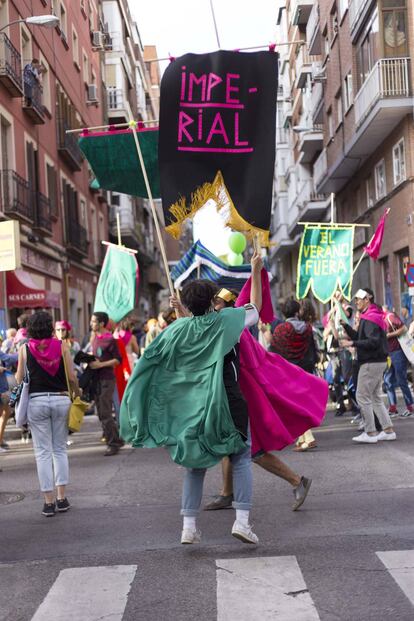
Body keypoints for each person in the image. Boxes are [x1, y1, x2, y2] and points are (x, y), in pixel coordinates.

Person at [121, 252, 264, 545]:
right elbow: (256, 308)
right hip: (228, 402)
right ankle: (242, 522)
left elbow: (153, 358)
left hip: (192, 408)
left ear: (186, 304)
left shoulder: (176, 329)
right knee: (240, 458)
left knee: (195, 467)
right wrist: (255, 271)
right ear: (214, 302)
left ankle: (188, 527)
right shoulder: (226, 321)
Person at [203, 285, 327, 512]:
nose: (215, 307)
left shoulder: (233, 325)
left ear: (229, 306)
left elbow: (255, 306)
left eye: (218, 303)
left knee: (251, 451)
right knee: (229, 446)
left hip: (243, 397)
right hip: (235, 396)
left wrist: (256, 268)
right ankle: (226, 493)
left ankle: (297, 481)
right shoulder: (227, 324)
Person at [15, 311, 79, 516]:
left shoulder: (24, 348)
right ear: (50, 327)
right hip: (61, 400)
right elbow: (71, 376)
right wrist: (77, 391)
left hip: (37, 401)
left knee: (42, 453)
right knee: (59, 449)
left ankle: (48, 502)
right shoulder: (62, 346)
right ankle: (62, 498)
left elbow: (18, 379)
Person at [340, 288, 396, 443]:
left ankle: (370, 432)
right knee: (375, 397)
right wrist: (346, 326)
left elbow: (372, 342)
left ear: (367, 299)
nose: (356, 302)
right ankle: (388, 430)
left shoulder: (370, 318)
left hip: (371, 362)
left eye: (358, 299)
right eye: (356, 299)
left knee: (362, 396)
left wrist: (352, 342)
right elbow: (361, 337)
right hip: (377, 361)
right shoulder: (371, 316)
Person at [270, 299, 318, 451]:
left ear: (283, 313)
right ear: (298, 312)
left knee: (294, 406)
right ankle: (303, 438)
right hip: (305, 369)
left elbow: (274, 351)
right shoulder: (307, 328)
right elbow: (312, 348)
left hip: (288, 371)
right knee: (302, 403)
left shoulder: (280, 330)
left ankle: (308, 437)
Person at [88, 312, 124, 456]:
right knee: (101, 412)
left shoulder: (110, 339)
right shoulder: (95, 338)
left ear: (102, 323)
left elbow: (117, 360)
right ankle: (116, 439)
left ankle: (113, 443)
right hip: (96, 379)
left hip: (107, 379)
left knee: (105, 412)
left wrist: (100, 365)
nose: (91, 324)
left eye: (93, 321)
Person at [383, 309, 414, 418]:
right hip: (390, 354)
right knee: (387, 380)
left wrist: (388, 335)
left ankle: (411, 407)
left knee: (401, 380)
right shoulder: (381, 319)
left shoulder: (389, 317)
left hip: (398, 352)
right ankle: (393, 408)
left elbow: (404, 328)